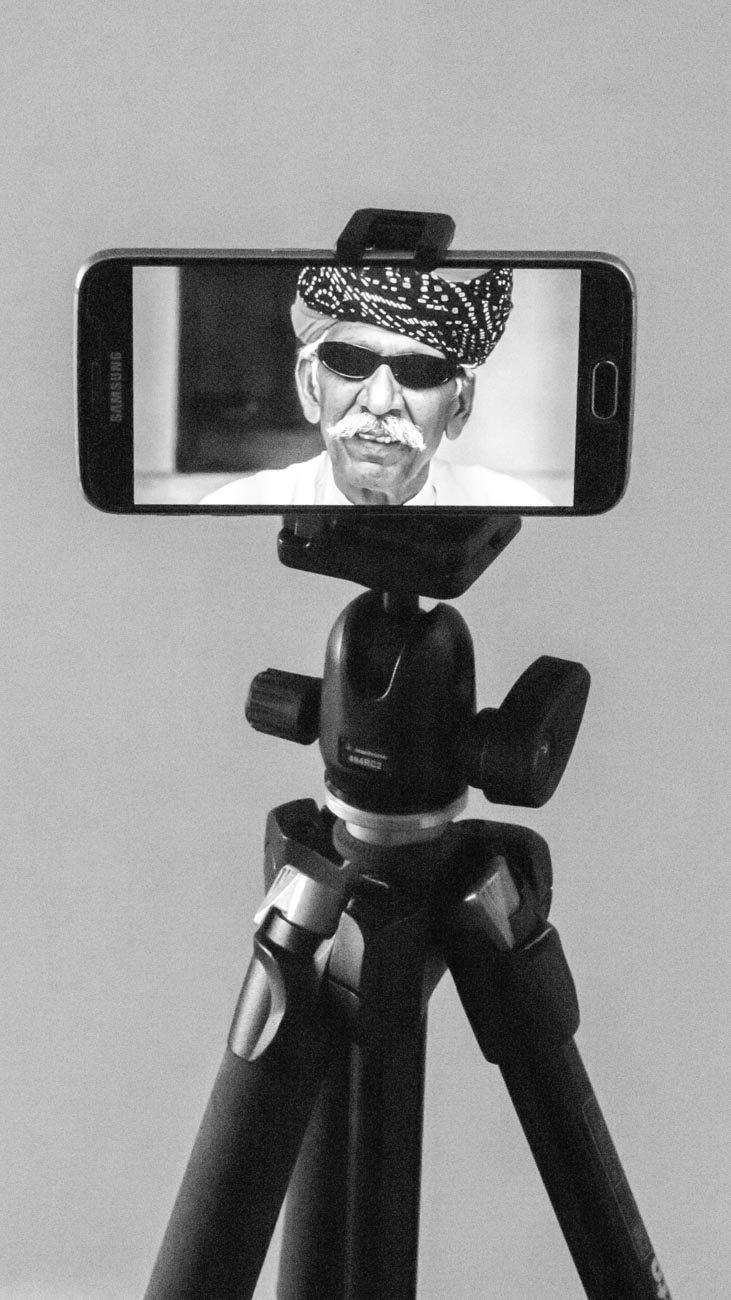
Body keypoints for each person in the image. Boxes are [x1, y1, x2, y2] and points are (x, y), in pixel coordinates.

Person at [202, 264, 550, 506]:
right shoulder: (236, 509)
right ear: (310, 386)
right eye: (350, 361)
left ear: (460, 406)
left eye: (418, 370)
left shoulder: (512, 509)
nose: (380, 402)